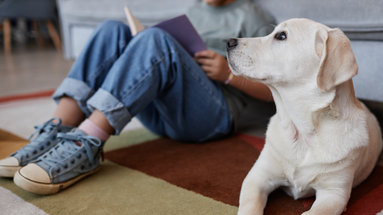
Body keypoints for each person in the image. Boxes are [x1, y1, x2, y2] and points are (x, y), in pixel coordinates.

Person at [0, 0, 276, 194]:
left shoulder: (252, 16)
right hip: (164, 113)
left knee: (156, 40)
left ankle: (88, 142)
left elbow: (276, 88)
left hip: (214, 116)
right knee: (112, 29)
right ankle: (56, 129)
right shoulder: (194, 11)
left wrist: (229, 73)